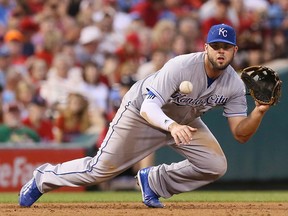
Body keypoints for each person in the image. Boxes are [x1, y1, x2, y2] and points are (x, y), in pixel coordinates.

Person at [19, 24, 272, 208]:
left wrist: (259, 112)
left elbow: (240, 134)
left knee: (215, 165)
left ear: (235, 50)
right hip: (141, 113)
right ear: (206, 47)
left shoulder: (234, 85)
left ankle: (153, 181)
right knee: (99, 170)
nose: (220, 52)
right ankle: (44, 177)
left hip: (184, 120)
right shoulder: (181, 66)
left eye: (226, 48)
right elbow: (149, 107)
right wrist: (172, 126)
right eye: (215, 46)